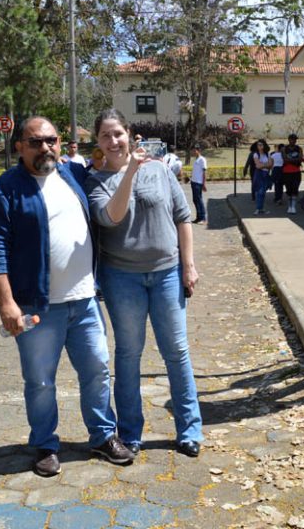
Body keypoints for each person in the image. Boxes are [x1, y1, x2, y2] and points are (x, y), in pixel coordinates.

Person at [0, 116, 133, 478]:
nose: (45, 147)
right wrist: (6, 302)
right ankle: (45, 444)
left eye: (51, 140)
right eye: (35, 142)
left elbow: (108, 160)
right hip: (37, 307)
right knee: (39, 382)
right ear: (19, 146)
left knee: (97, 371)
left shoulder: (72, 174)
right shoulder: (4, 189)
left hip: (84, 301)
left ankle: (102, 435)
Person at [86, 109, 203, 458]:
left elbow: (182, 217)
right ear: (98, 141)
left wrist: (188, 266)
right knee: (128, 354)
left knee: (177, 352)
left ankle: (189, 430)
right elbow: (111, 217)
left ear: (129, 133)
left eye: (118, 133)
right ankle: (130, 432)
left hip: (167, 273)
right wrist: (129, 172)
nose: (113, 141)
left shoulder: (159, 170)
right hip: (122, 278)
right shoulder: (94, 181)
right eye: (105, 135)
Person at [282, 133, 303, 214]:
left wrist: (290, 160)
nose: (293, 141)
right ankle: (289, 206)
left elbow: (300, 159)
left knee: (295, 188)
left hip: (296, 171)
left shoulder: (299, 148)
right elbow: (285, 159)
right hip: (287, 172)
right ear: (289, 140)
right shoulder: (284, 149)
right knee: (288, 189)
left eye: (295, 139)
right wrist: (295, 160)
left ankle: (293, 206)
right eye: (292, 139)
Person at [252, 139, 272, 215]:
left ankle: (261, 208)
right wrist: (266, 165)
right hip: (259, 174)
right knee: (259, 191)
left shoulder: (267, 154)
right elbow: (258, 166)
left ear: (264, 145)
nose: (259, 146)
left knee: (263, 192)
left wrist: (262, 165)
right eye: (258, 145)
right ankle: (258, 208)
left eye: (261, 145)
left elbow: (270, 165)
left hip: (266, 174)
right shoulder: (256, 154)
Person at [190, 143, 207, 225]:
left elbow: (204, 172)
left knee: (199, 200)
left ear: (198, 150)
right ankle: (198, 217)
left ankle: (203, 218)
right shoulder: (196, 160)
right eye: (193, 150)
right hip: (193, 182)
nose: (193, 152)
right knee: (195, 200)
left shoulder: (202, 160)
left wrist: (204, 184)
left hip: (198, 183)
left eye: (195, 150)